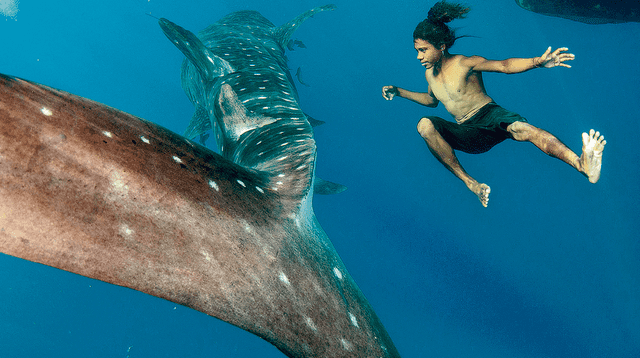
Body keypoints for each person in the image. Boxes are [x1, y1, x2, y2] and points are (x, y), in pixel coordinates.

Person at [382, 0, 606, 207]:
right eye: (417, 51)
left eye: (423, 50)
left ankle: (581, 163)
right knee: (424, 125)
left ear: (441, 46)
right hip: (468, 132)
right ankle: (471, 184)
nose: (419, 57)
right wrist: (399, 91)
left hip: (490, 115)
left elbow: (504, 66)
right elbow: (431, 101)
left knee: (523, 129)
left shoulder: (465, 63)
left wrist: (537, 62)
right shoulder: (430, 75)